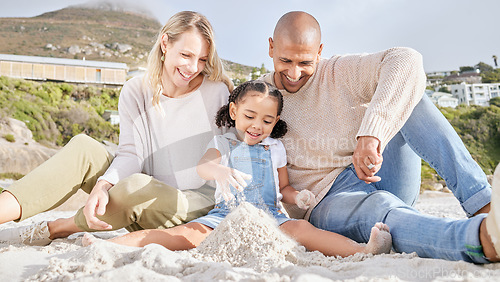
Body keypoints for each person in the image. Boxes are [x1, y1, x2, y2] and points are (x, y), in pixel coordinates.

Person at [258, 11, 500, 263]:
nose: (294, 73)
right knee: (380, 205)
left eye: (305, 63)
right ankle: (481, 240)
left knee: (411, 97)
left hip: (379, 173)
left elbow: (407, 59)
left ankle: (484, 205)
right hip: (325, 202)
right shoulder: (258, 97)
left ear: (319, 52)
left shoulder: (336, 72)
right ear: (271, 47)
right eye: (285, 60)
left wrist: (372, 134)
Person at [82, 80, 393, 257]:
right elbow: (204, 167)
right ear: (234, 111)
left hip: (270, 216)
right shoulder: (224, 142)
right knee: (181, 235)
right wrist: (220, 172)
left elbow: (283, 189)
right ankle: (110, 246)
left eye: (267, 121)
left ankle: (362, 250)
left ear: (275, 122)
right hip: (225, 216)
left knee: (304, 230)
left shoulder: (276, 148)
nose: (257, 126)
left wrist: (299, 199)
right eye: (249, 116)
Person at [0, 11, 234, 246]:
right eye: (186, 55)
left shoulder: (217, 92)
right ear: (165, 43)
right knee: (84, 148)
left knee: (136, 186)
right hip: (134, 200)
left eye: (202, 59)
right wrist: (102, 185)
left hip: (186, 205)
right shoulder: (135, 90)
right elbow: (131, 154)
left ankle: (58, 227)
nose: (193, 67)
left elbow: (233, 152)